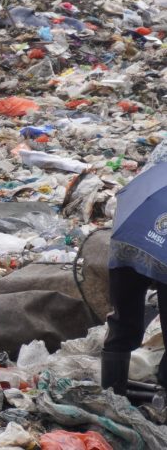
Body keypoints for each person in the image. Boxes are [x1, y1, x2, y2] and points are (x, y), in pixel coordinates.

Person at [102, 143, 167, 398]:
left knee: (124, 319)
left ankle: (111, 393)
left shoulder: (163, 148)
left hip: (133, 232)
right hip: (160, 247)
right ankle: (163, 395)